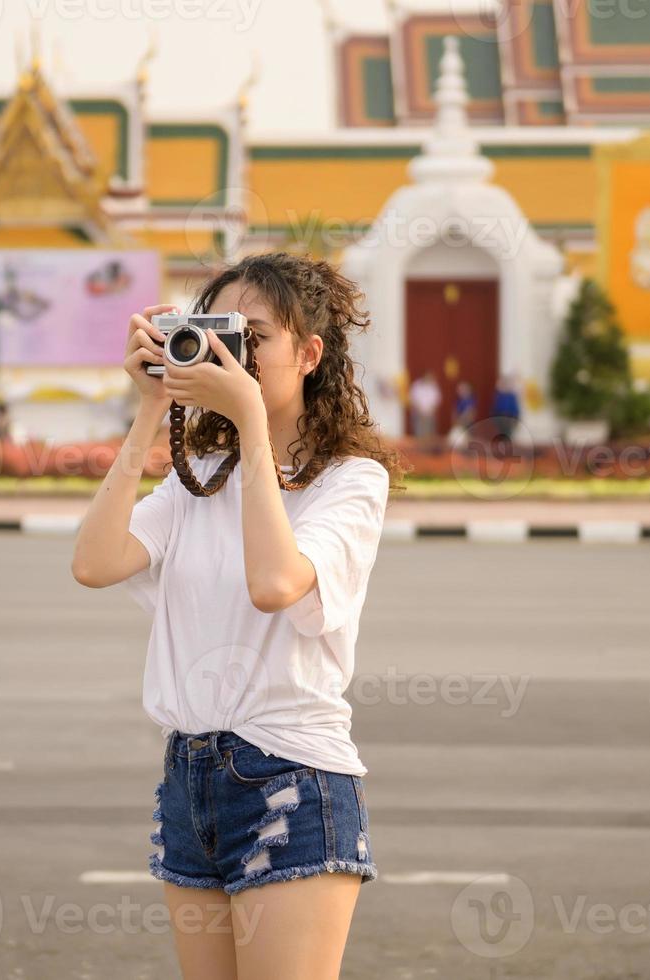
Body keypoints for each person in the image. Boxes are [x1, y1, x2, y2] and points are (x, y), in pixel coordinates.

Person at [70, 252, 404, 980]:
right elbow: (94, 563)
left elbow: (275, 581)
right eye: (217, 335)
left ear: (310, 354)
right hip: (189, 777)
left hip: (289, 771)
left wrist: (250, 421)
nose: (232, 357)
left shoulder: (350, 481)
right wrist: (151, 410)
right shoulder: (200, 482)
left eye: (252, 339)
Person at [407, 371, 442, 450]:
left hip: (430, 413)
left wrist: (431, 410)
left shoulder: (434, 386)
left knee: (429, 431)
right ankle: (420, 448)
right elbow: (413, 399)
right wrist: (420, 410)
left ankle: (428, 447)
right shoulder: (416, 386)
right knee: (419, 431)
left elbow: (437, 400)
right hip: (419, 413)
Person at [491, 373, 522, 454]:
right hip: (499, 418)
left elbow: (515, 409)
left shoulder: (512, 396)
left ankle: (508, 450)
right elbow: (495, 408)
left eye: (504, 383)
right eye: (501, 383)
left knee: (508, 434)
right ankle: (501, 450)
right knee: (501, 434)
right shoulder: (498, 396)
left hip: (509, 418)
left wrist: (516, 419)